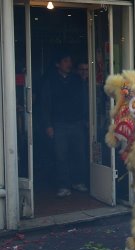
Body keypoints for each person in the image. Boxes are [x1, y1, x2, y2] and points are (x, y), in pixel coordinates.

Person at [41, 50, 88, 197]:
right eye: (65, 61)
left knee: (79, 153)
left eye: (69, 61)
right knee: (61, 155)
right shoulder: (50, 81)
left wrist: (87, 119)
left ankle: (77, 181)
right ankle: (63, 185)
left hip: (77, 122)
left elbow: (85, 100)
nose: (69, 64)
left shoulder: (76, 79)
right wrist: (48, 124)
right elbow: (45, 104)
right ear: (58, 64)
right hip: (59, 123)